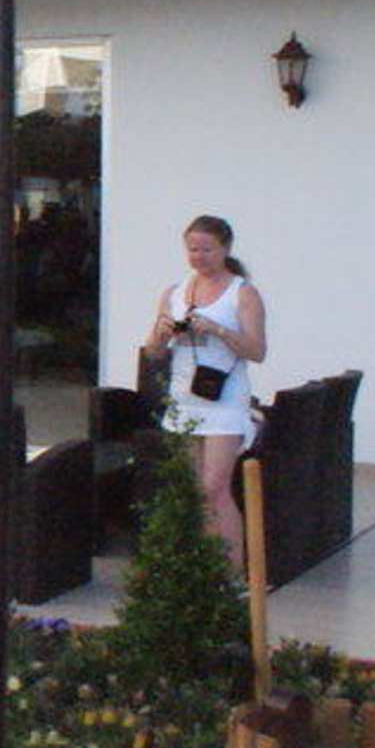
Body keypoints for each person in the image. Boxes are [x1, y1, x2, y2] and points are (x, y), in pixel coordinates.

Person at [145, 215, 268, 567]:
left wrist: (218, 330)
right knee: (191, 488)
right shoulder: (175, 292)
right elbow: (153, 351)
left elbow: (257, 351)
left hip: (223, 399)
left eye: (206, 250)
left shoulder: (242, 293)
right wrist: (162, 334)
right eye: (192, 249)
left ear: (225, 249)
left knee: (214, 487)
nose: (198, 257)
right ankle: (199, 564)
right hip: (185, 397)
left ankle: (230, 573)